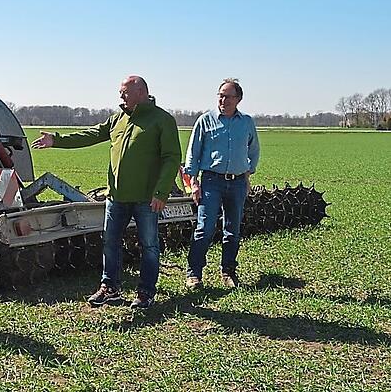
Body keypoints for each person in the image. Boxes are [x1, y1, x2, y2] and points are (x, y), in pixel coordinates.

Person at [32, 75, 181, 310]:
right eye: (120, 92)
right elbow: (91, 135)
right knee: (110, 242)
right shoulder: (118, 119)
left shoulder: (161, 120)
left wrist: (161, 192)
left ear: (141, 92)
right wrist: (56, 140)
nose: (120, 96)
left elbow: (171, 158)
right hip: (117, 197)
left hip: (146, 198)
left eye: (125, 92)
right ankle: (109, 288)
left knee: (149, 245)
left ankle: (145, 292)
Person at [183, 78, 260, 290]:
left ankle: (228, 272)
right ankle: (194, 274)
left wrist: (248, 172)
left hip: (236, 184)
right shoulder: (205, 121)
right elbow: (193, 154)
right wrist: (194, 183)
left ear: (238, 99)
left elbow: (253, 150)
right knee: (204, 228)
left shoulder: (246, 122)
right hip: (211, 182)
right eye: (220, 95)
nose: (223, 100)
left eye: (228, 96)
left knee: (232, 230)